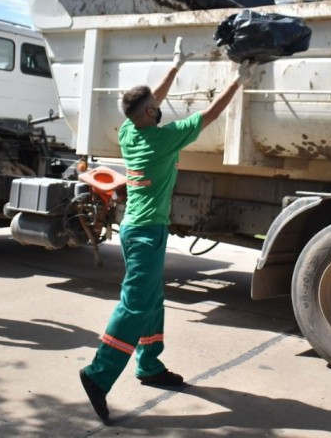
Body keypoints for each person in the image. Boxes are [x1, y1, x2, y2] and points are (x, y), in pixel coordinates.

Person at [79, 37, 255, 423]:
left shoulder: (129, 131)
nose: (159, 111)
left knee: (152, 299)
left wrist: (174, 68)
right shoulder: (161, 140)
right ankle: (98, 374)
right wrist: (239, 80)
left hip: (138, 230)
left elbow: (146, 101)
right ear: (146, 116)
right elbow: (208, 115)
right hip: (145, 233)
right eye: (154, 110)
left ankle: (150, 365)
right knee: (136, 304)